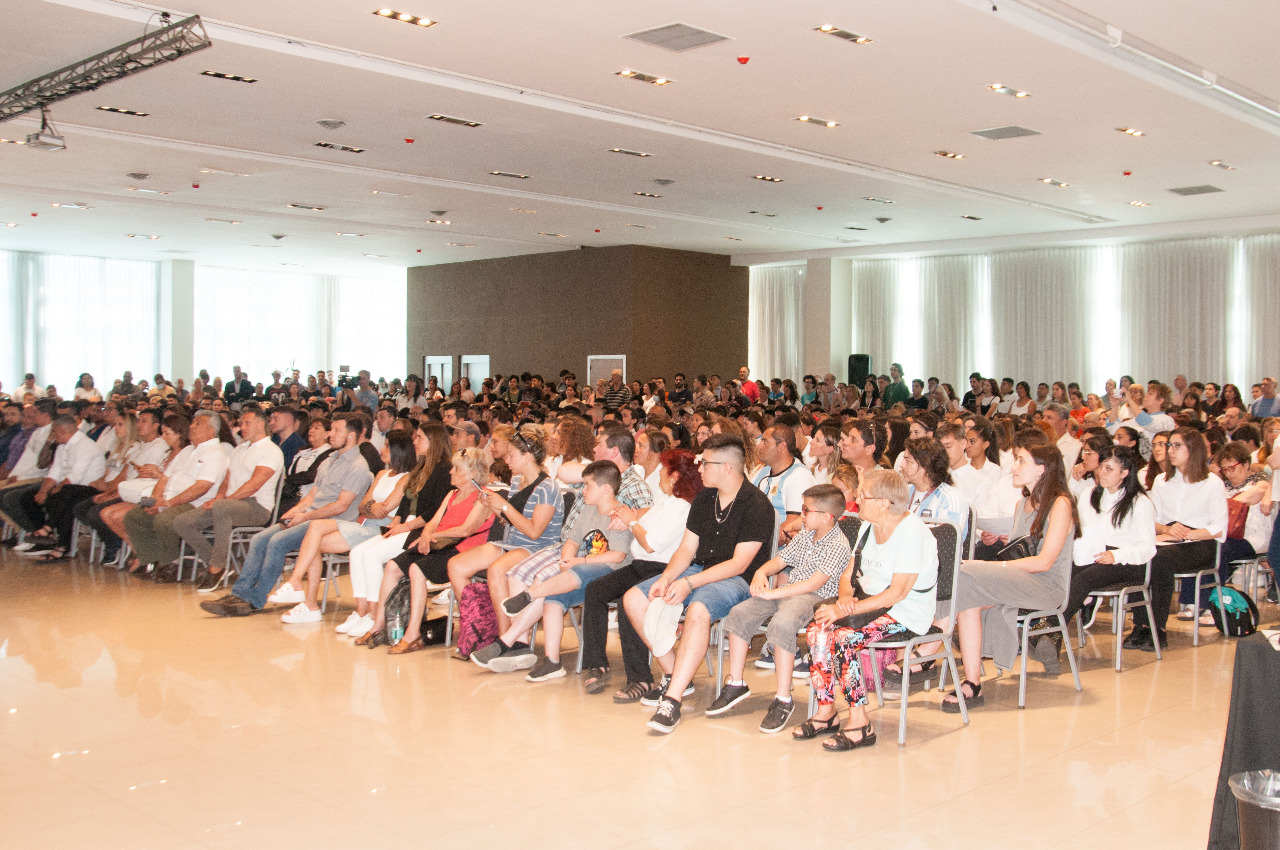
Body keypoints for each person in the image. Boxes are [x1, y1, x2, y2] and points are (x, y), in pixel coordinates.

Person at [622, 433, 774, 733]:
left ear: (727, 467)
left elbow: (739, 564)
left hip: (737, 580)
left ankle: (672, 699)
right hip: (700, 567)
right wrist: (667, 577)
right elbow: (687, 549)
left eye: (704, 463)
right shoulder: (705, 497)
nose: (698, 468)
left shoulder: (756, 504)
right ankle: (678, 673)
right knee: (634, 598)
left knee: (699, 609)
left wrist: (689, 583)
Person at [793, 469, 938, 749]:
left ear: (884, 502)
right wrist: (845, 599)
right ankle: (826, 711)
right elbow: (848, 575)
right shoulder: (867, 526)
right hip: (869, 604)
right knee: (817, 630)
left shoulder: (913, 533)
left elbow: (897, 594)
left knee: (845, 638)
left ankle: (860, 722)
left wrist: (845, 611)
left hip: (905, 613)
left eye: (862, 495)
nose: (856, 500)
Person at [943, 443, 1078, 710]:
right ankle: (972, 683)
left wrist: (994, 568)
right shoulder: (1022, 504)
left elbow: (1044, 562)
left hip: (1048, 586)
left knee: (967, 571)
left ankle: (926, 644)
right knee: (967, 591)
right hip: (1020, 580)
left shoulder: (1060, 503)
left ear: (1042, 469)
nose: (1013, 467)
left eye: (1020, 461)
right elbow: (1019, 552)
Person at [708, 484, 851, 733]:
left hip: (815, 597)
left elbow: (814, 583)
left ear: (827, 516)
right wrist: (761, 572)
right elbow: (780, 561)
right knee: (740, 613)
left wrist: (774, 592)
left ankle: (784, 698)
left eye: (806, 510)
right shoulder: (806, 535)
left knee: (783, 622)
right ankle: (736, 683)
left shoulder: (838, 543)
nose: (801, 515)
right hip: (788, 592)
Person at [200, 413, 374, 616]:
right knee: (259, 538)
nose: (330, 434)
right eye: (331, 429)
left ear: (351, 435)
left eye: (336, 430)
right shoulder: (329, 460)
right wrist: (295, 511)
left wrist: (305, 517)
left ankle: (255, 601)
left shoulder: (358, 466)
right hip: (309, 517)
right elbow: (312, 495)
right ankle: (239, 594)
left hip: (330, 524)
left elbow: (341, 507)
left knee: (277, 541)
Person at [481, 460, 635, 679]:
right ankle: (552, 662)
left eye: (588, 486)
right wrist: (566, 560)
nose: (583, 490)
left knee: (577, 573)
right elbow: (571, 542)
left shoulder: (618, 514)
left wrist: (577, 563)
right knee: (553, 599)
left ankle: (527, 599)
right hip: (586, 570)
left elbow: (617, 556)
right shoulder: (588, 510)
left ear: (606, 489)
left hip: (611, 571)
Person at [360, 447, 496, 650]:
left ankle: (412, 634)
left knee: (417, 569)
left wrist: (432, 536)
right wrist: (425, 535)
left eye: (457, 469)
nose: (451, 472)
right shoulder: (452, 494)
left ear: (473, 474)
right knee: (392, 566)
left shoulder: (484, 497)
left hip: (462, 549)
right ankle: (378, 626)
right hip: (440, 543)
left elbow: (466, 530)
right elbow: (433, 521)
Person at [274, 430, 415, 624]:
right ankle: (308, 601)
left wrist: (371, 507)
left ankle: (297, 584)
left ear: (398, 450)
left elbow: (385, 509)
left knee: (314, 532)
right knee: (313, 537)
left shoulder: (406, 478)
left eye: (386, 446)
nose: (381, 449)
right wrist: (372, 507)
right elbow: (362, 505)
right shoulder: (382, 473)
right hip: (364, 524)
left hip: (380, 530)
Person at [445, 424, 563, 638]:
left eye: (511, 455)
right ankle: (480, 625)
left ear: (527, 456)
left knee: (496, 569)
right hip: (512, 542)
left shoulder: (548, 488)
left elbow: (534, 532)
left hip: (537, 547)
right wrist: (493, 506)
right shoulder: (518, 480)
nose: (506, 461)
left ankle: (504, 635)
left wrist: (504, 506)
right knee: (456, 565)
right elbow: (510, 520)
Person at [1124, 426, 1227, 650]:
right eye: (1168, 445)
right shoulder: (1161, 480)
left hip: (1201, 542)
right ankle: (1140, 624)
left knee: (1160, 560)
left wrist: (1188, 534)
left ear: (1193, 449)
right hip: (1169, 538)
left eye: (1176, 445)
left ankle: (1157, 628)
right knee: (1140, 554)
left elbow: (1219, 527)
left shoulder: (1212, 482)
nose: (1170, 450)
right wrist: (1167, 530)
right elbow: (1153, 520)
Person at [172, 407, 284, 591]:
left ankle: (217, 568)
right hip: (230, 503)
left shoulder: (270, 451)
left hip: (257, 507)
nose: (242, 427)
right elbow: (227, 478)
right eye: (240, 423)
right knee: (182, 522)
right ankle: (216, 562)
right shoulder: (240, 448)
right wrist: (218, 497)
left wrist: (226, 500)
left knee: (222, 508)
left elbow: (254, 484)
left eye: (247, 423)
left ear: (261, 424)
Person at [1062, 445, 1157, 632]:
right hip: (1093, 554)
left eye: (1109, 469)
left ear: (1124, 473)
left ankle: (1052, 630)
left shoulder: (1140, 503)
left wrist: (1116, 556)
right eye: (1101, 467)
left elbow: (1148, 548)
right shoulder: (1089, 495)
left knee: (1084, 579)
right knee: (1062, 572)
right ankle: (1045, 630)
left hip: (1126, 562)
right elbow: (1079, 530)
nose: (1102, 473)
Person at [122, 411, 230, 574]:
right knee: (134, 516)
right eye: (192, 422)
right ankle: (151, 559)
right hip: (169, 500)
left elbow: (201, 488)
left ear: (211, 431)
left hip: (195, 504)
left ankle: (170, 565)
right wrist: (156, 500)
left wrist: (167, 504)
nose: (192, 426)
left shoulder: (216, 453)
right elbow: (164, 478)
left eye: (197, 423)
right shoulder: (188, 451)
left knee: (165, 519)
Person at [1175, 441, 1270, 622]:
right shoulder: (1223, 487)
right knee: (1198, 545)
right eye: (1224, 470)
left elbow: (1250, 496)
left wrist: (1227, 503)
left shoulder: (1259, 483)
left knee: (1219, 550)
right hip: (1225, 536)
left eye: (1232, 468)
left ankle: (1214, 606)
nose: (1229, 473)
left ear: (1246, 464)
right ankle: (1192, 602)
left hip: (1252, 538)